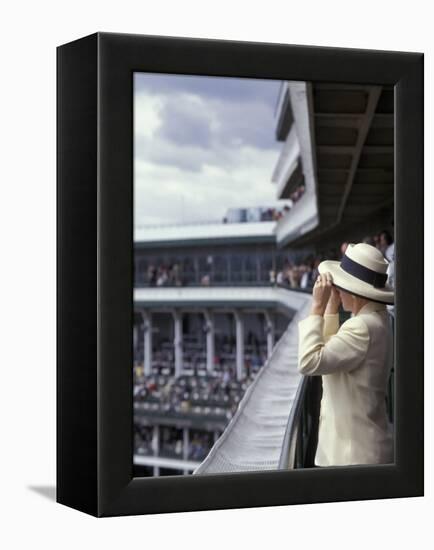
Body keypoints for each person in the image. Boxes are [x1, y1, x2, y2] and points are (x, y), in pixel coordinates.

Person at [297, 242, 394, 466]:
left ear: (356, 291)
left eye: (341, 287)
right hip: (361, 450)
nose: (337, 290)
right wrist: (331, 307)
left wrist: (317, 309)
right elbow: (334, 355)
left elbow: (309, 361)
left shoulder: (361, 327)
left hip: (353, 456)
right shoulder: (375, 319)